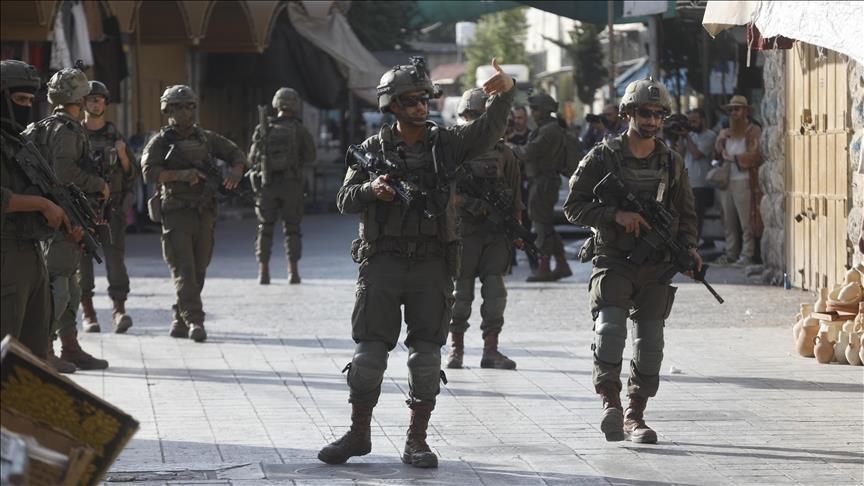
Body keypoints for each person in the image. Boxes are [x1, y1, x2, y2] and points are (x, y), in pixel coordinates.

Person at [318, 57, 515, 469]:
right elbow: (344, 199)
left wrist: (504, 94)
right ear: (391, 105)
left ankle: (417, 439)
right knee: (368, 355)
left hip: (432, 264)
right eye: (410, 100)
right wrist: (372, 190)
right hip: (383, 262)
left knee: (426, 357)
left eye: (424, 99)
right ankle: (358, 433)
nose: (420, 106)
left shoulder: (446, 145)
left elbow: (487, 131)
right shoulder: (371, 150)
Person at [563, 77, 699, 444]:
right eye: (645, 113)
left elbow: (686, 215)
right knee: (609, 330)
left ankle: (634, 414)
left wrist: (689, 249)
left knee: (650, 343)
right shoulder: (602, 156)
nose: (652, 120)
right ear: (628, 114)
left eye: (658, 114)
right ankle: (609, 402)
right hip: (614, 258)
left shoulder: (671, 162)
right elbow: (573, 206)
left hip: (656, 264)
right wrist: (615, 215)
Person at [141, 85, 246, 342]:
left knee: (199, 269)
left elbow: (236, 154)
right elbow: (148, 172)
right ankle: (195, 320)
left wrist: (236, 171)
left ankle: (180, 317)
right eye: (177, 107)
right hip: (176, 214)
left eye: (188, 106)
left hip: (205, 212)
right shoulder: (161, 142)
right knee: (184, 270)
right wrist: (181, 175)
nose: (184, 112)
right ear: (167, 110)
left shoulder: (206, 139)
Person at [23, 66, 110, 373]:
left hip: (53, 215)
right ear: (80, 99)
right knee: (59, 286)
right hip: (62, 216)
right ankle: (44, 350)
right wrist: (98, 184)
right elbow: (64, 174)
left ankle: (70, 347)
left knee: (70, 285)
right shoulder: (67, 130)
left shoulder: (40, 126)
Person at [1, 59, 77, 360]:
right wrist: (43, 205)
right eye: (20, 100)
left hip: (32, 254)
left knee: (33, 357)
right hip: (6, 256)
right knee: (7, 353)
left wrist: (65, 220)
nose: (27, 107)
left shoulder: (19, 143)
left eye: (31, 101)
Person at [446, 88, 522, 371]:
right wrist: (470, 204)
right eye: (472, 116)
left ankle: (491, 349)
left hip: (496, 233)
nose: (476, 122)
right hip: (463, 231)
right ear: (463, 116)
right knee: (461, 293)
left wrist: (516, 230)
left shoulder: (504, 154)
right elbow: (443, 194)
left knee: (495, 294)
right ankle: (456, 348)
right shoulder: (452, 152)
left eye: (481, 116)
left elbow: (515, 197)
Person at [79, 80, 139, 333]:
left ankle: (118, 310)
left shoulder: (115, 135)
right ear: (83, 102)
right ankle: (88, 313)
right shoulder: (76, 134)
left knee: (115, 261)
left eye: (100, 99)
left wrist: (122, 155)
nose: (96, 103)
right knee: (82, 261)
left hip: (111, 208)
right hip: (82, 208)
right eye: (91, 99)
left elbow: (132, 174)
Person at [247, 87, 316, 285]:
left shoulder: (263, 128)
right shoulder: (299, 129)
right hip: (291, 185)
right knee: (292, 229)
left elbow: (252, 158)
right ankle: (293, 272)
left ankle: (263, 273)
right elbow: (311, 156)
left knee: (264, 228)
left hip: (267, 185)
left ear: (276, 104)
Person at [510, 93, 572, 282]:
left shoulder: (549, 130)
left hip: (544, 181)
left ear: (545, 110)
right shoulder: (546, 128)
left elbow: (530, 152)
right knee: (545, 225)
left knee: (540, 226)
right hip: (540, 181)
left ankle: (544, 267)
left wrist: (508, 148)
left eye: (536, 109)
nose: (533, 113)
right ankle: (561, 264)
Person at [713, 95, 763, 266]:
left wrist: (734, 158)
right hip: (727, 180)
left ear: (745, 111)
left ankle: (747, 254)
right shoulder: (727, 131)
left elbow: (755, 156)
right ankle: (731, 253)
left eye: (737, 109)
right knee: (728, 220)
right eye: (731, 110)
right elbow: (717, 155)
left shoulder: (753, 130)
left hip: (744, 180)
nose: (733, 113)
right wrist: (719, 140)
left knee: (746, 221)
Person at [674, 109, 717, 247]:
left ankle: (693, 245)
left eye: (694, 121)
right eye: (689, 121)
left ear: (703, 120)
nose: (691, 124)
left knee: (696, 215)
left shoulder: (710, 135)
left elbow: (697, 154)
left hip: (702, 183)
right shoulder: (690, 135)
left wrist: (687, 137)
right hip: (688, 182)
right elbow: (680, 154)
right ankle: (691, 243)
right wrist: (681, 136)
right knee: (686, 215)